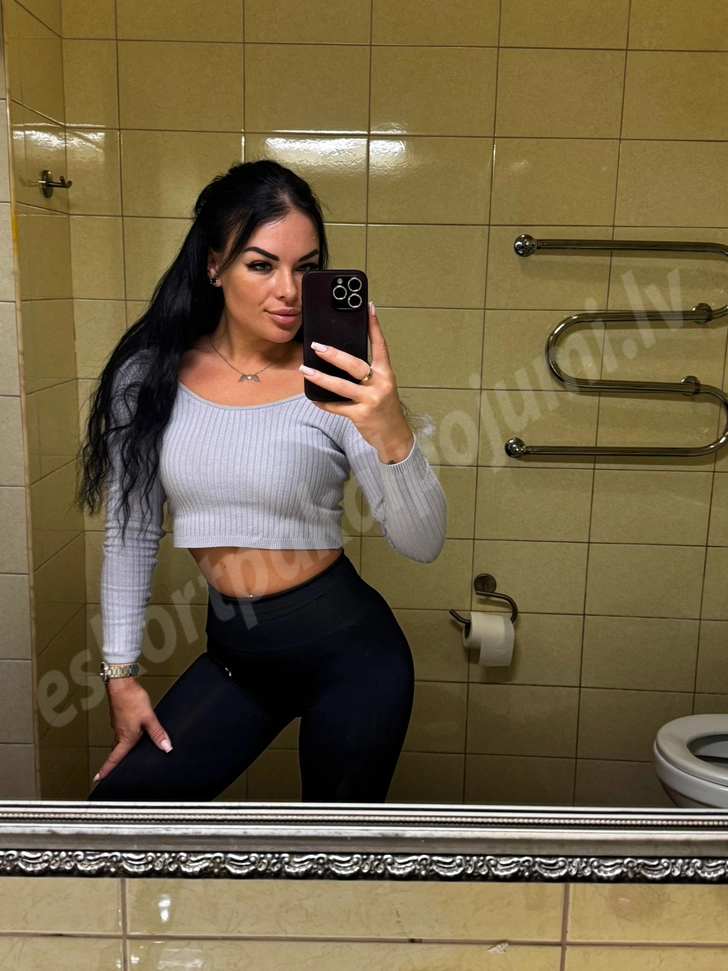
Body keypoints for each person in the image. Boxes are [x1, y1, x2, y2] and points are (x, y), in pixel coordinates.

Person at [77, 159, 447, 803]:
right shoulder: (150, 376)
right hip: (236, 661)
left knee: (333, 851)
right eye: (261, 265)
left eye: (307, 268)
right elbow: (130, 533)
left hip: (353, 660)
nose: (289, 291)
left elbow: (423, 542)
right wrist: (120, 675)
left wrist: (389, 425)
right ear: (213, 265)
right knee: (122, 812)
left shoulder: (335, 381)